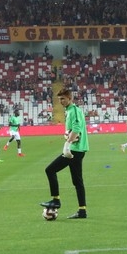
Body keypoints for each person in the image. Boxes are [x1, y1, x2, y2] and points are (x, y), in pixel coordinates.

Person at [40, 88, 89, 219]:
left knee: (50, 170)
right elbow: (74, 130)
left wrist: (67, 145)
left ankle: (56, 200)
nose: (61, 101)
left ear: (70, 98)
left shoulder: (74, 111)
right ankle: (82, 210)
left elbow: (77, 130)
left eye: (63, 98)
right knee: (77, 181)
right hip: (78, 149)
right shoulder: (70, 111)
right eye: (59, 99)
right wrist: (68, 135)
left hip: (74, 150)